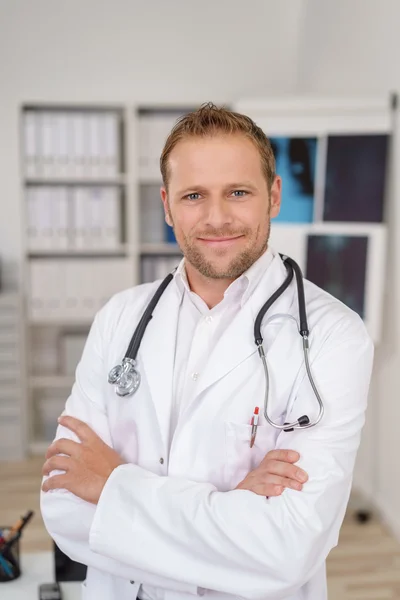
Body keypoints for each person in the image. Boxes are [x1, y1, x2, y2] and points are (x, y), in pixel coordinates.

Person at [40, 103, 374, 600]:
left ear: (274, 196)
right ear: (167, 206)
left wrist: (112, 485)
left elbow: (285, 550)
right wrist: (226, 510)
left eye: (238, 192)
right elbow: (64, 506)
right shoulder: (120, 318)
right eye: (194, 195)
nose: (217, 218)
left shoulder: (332, 337)